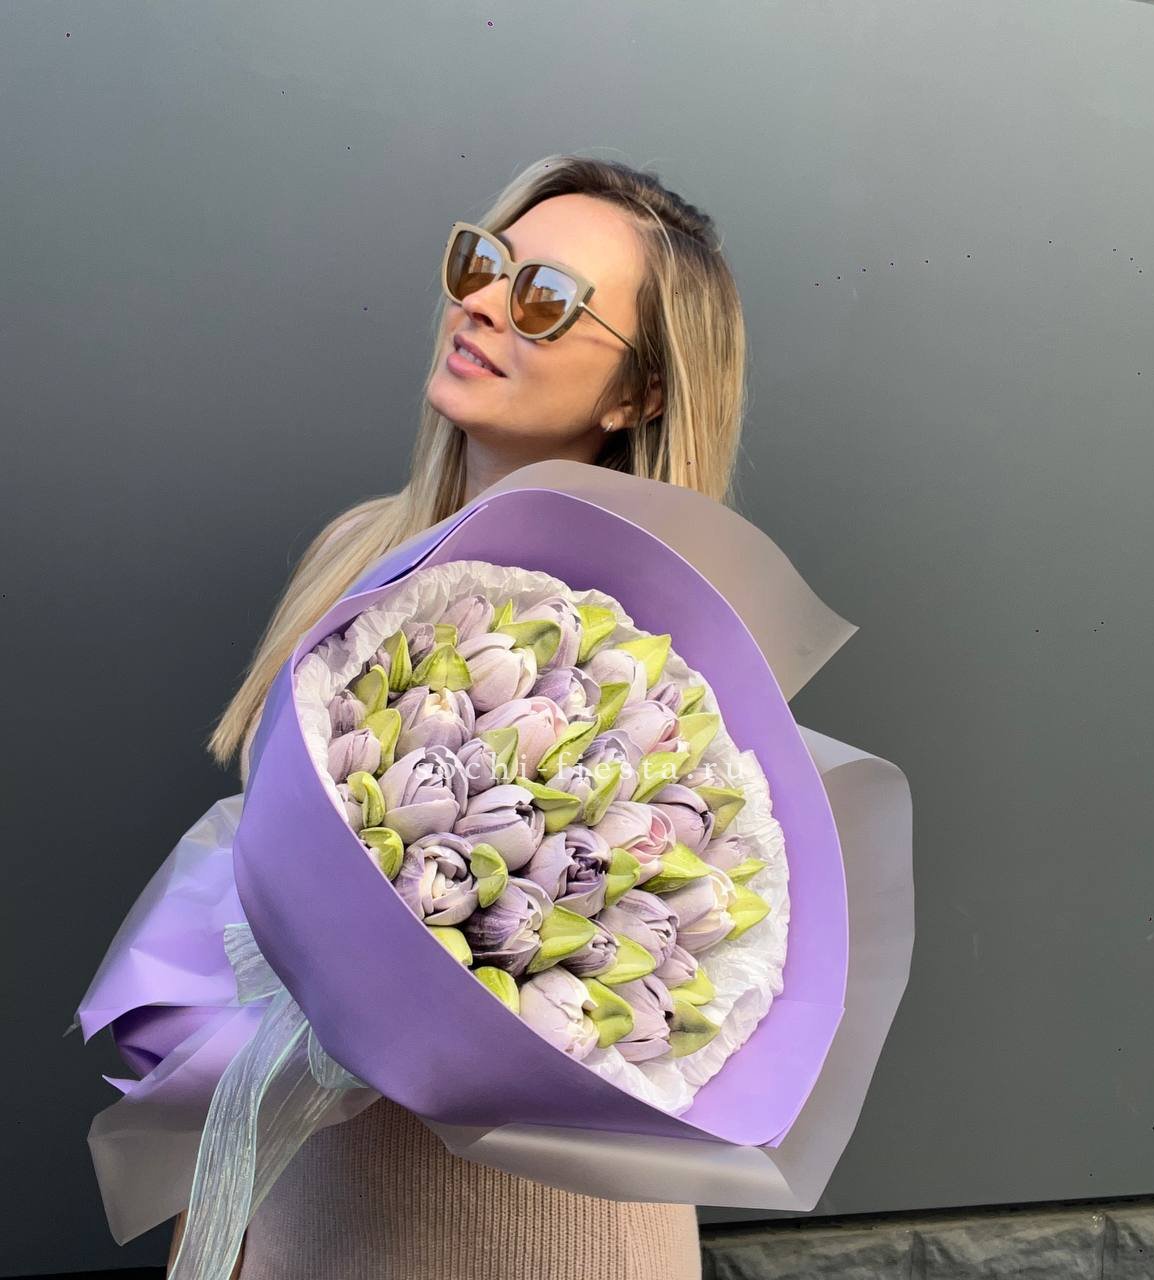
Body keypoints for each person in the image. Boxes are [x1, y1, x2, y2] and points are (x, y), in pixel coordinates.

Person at [172, 152, 749, 1280]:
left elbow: (669, 951)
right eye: (483, 264)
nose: (482, 303)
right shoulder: (355, 549)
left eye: (545, 298)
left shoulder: (666, 637)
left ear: (637, 395)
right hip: (313, 1187)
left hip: (551, 1228)